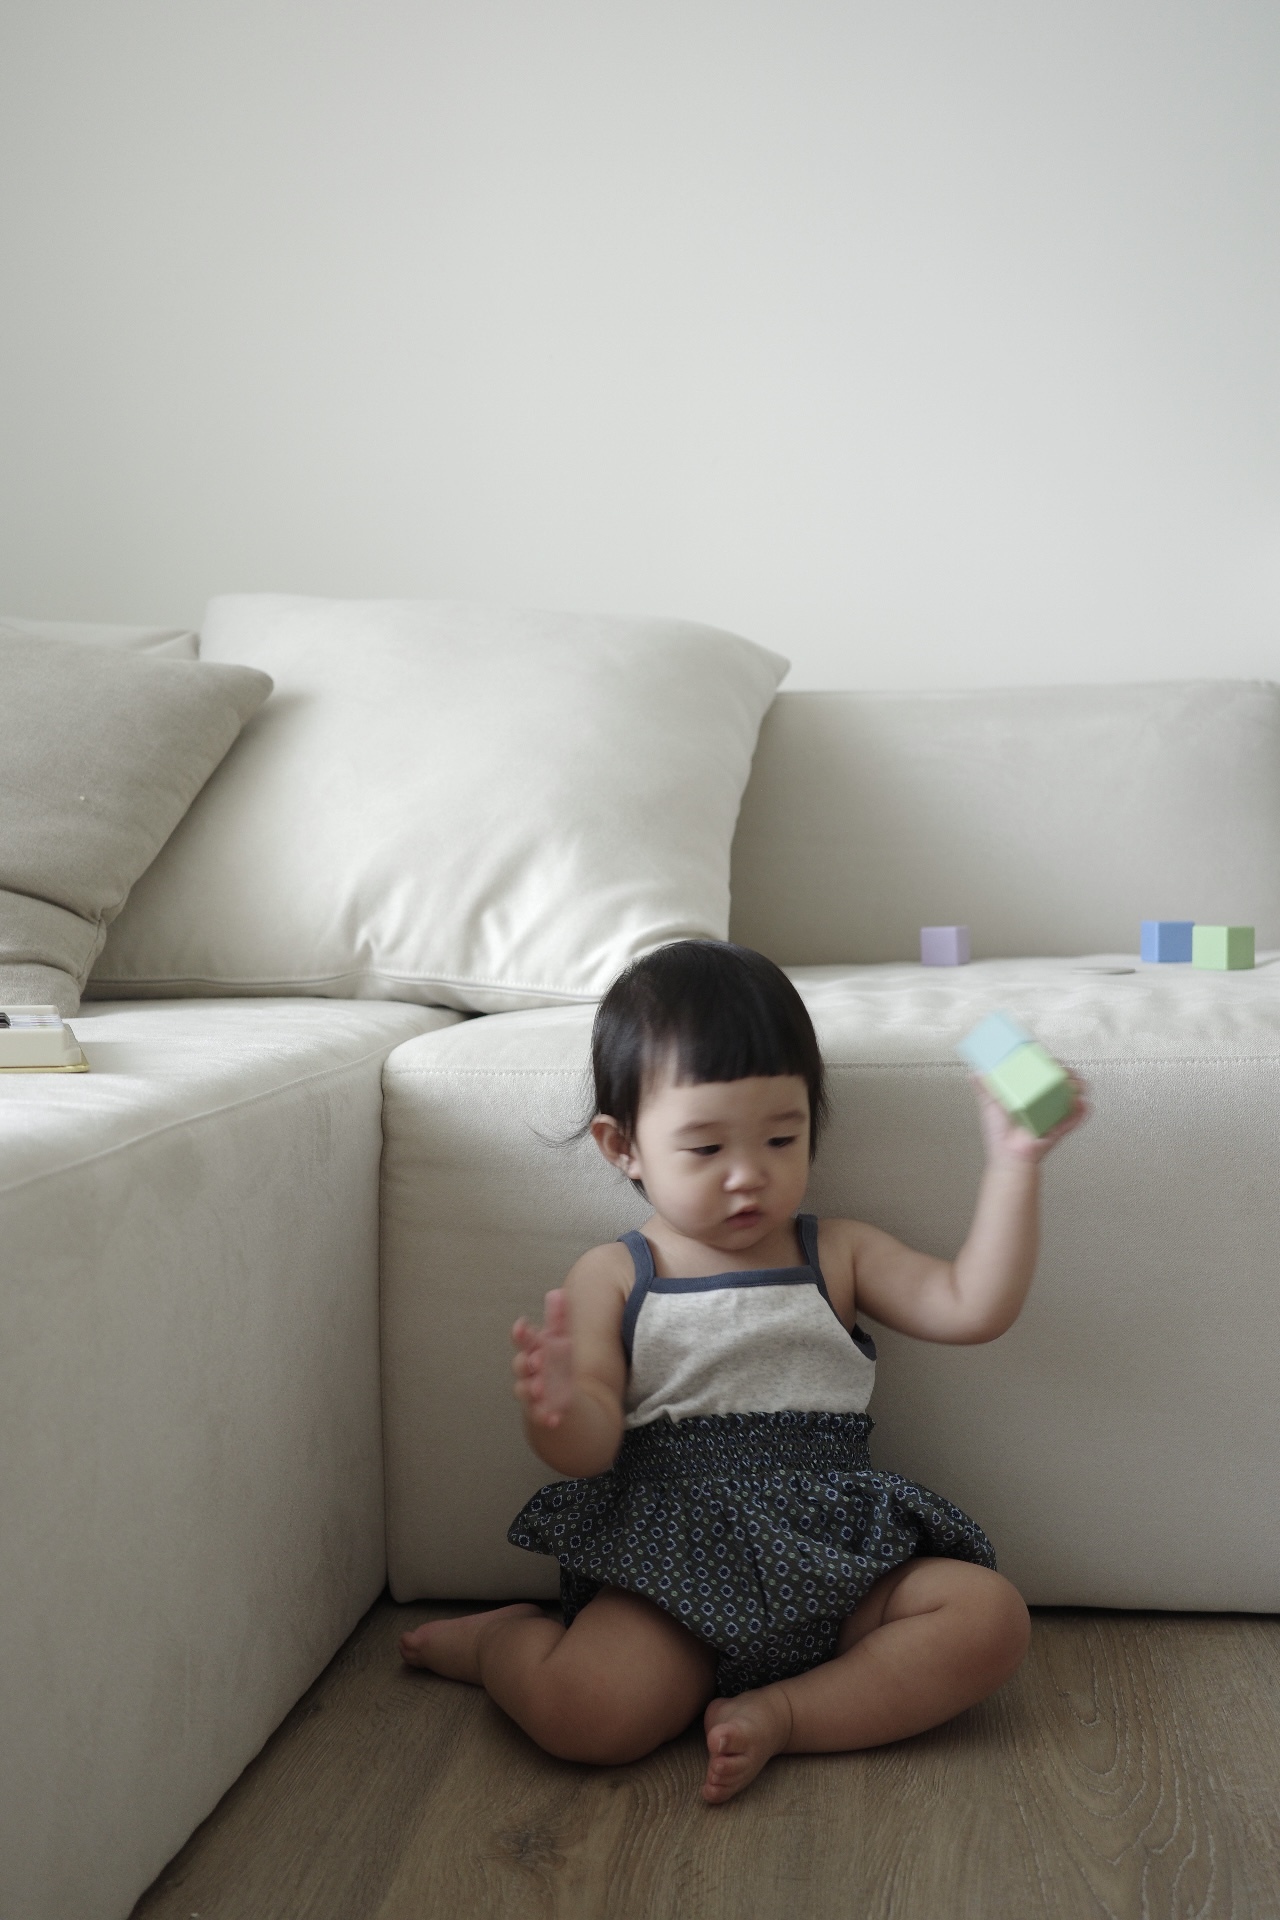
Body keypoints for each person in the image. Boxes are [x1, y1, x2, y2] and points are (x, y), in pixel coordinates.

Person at [400, 940, 1086, 1803]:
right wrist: (558, 1410)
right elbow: (589, 1447)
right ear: (623, 1146)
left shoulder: (838, 1252)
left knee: (989, 1617)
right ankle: (501, 1642)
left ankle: (787, 1714)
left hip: (839, 1555)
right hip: (677, 1572)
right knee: (588, 1714)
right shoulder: (615, 1274)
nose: (748, 1176)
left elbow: (970, 1305)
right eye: (704, 1148)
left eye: (781, 1138)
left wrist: (1015, 1166)